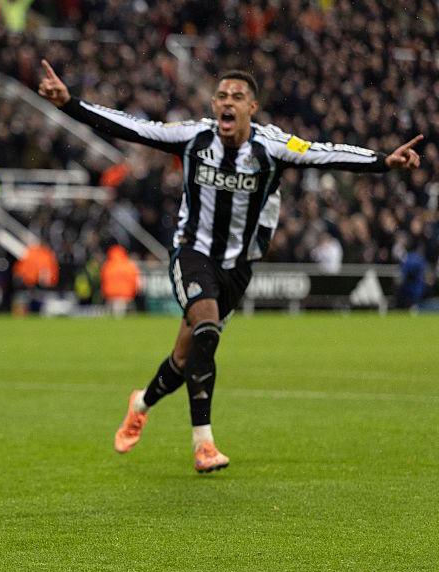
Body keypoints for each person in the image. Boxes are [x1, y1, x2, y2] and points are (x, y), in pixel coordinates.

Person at [38, 60, 423, 473]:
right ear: (213, 103)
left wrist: (384, 161)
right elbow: (132, 127)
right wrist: (70, 104)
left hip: (238, 266)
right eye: (222, 95)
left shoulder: (272, 147)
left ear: (252, 107)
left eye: (237, 97)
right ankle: (203, 444)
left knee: (185, 359)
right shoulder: (194, 137)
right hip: (193, 252)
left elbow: (325, 154)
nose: (227, 102)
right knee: (206, 331)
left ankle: (142, 402)